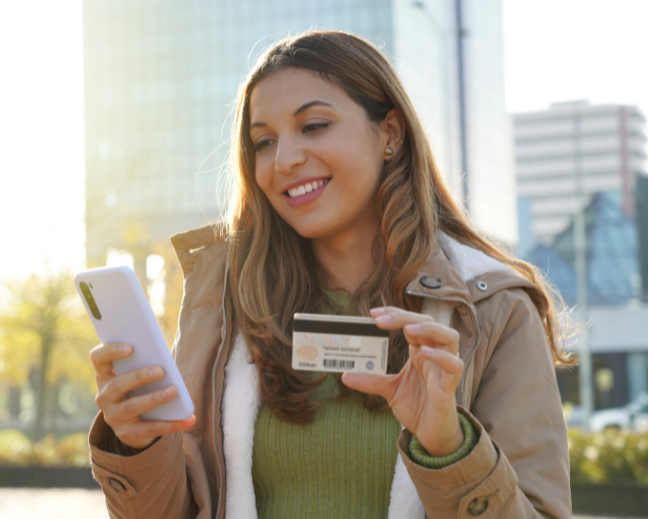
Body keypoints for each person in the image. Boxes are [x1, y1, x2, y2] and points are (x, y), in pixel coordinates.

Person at [87, 30, 572, 519]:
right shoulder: (225, 303)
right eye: (264, 141)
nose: (285, 160)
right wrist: (137, 445)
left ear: (390, 134)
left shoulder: (493, 308)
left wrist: (449, 445)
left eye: (314, 126)